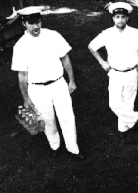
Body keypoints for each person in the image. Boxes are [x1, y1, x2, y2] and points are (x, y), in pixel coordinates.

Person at [11, 6, 84, 160]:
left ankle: (73, 148)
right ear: (24, 23)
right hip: (37, 90)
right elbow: (22, 75)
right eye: (31, 23)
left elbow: (65, 58)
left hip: (58, 84)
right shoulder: (20, 46)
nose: (36, 26)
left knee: (67, 117)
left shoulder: (53, 36)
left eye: (38, 22)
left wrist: (71, 80)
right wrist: (25, 98)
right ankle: (55, 145)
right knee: (47, 119)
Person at [88, 2, 138, 139]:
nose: (120, 20)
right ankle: (134, 118)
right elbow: (91, 46)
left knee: (128, 102)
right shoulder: (107, 34)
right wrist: (102, 62)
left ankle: (123, 129)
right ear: (113, 18)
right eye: (117, 17)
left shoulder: (135, 33)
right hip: (114, 73)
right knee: (114, 103)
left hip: (132, 72)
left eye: (123, 17)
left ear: (127, 18)